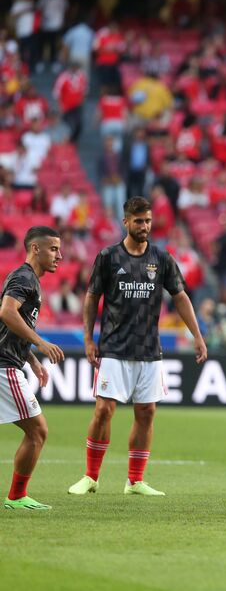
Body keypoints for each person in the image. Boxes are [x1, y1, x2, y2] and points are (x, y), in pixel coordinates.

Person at [67, 197, 207, 498]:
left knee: (146, 412)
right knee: (104, 410)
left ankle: (135, 481)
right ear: (126, 222)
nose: (144, 226)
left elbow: (180, 296)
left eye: (148, 221)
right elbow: (92, 297)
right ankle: (91, 476)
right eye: (139, 221)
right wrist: (89, 339)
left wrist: (197, 334)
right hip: (113, 347)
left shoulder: (162, 258)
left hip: (148, 350)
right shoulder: (108, 257)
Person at [1, 226, 65, 510]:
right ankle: (16, 496)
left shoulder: (29, 281)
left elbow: (9, 328)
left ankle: (17, 496)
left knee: (37, 431)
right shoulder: (24, 277)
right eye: (53, 249)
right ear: (35, 248)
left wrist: (33, 360)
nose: (59, 256)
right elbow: (6, 312)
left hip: (10, 362)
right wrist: (40, 343)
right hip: (4, 367)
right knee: (38, 431)